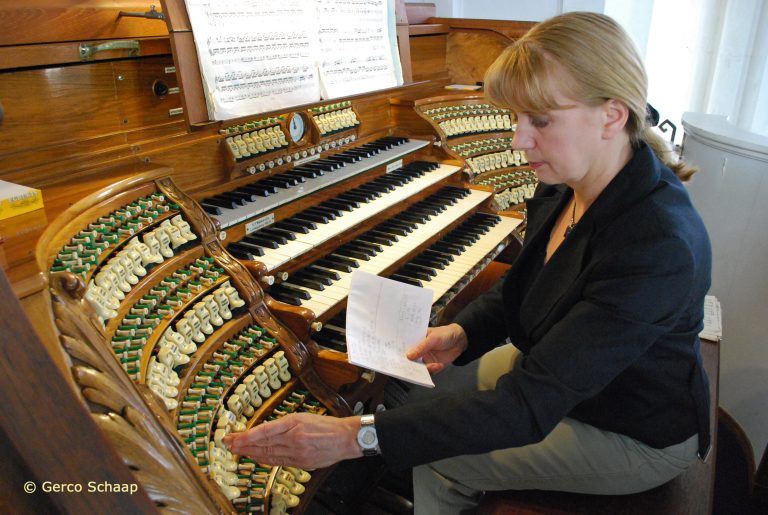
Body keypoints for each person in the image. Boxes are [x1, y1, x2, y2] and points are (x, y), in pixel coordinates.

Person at [224, 11, 712, 514]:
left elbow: (527, 406)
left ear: (612, 115)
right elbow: (530, 284)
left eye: (540, 120)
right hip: (559, 372)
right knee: (406, 398)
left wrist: (353, 437)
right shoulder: (567, 179)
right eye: (516, 118)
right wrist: (461, 334)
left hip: (628, 427)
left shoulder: (657, 246)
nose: (519, 141)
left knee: (443, 454)